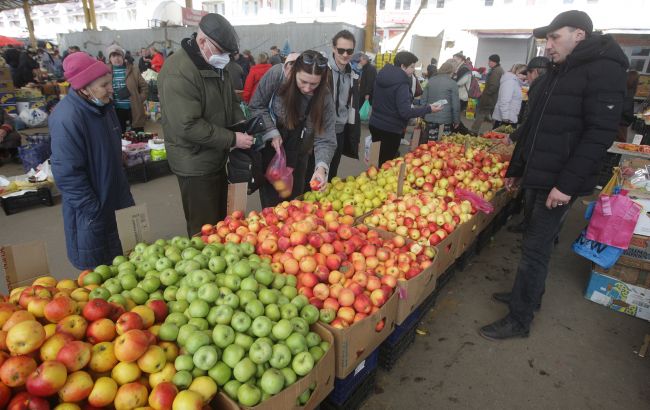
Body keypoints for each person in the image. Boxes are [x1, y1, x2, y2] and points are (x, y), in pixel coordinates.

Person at [480, 10, 628, 340]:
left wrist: (566, 184)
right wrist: (517, 169)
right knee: (535, 243)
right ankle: (529, 295)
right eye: (547, 39)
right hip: (539, 172)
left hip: (558, 180)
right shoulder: (560, 71)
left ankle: (519, 319)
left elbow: (599, 134)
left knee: (534, 249)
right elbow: (533, 126)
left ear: (579, 35)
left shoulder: (603, 71)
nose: (548, 46)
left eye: (554, 37)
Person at [158, 13, 253, 236]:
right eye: (222, 52)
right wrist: (232, 139)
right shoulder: (178, 72)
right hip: (194, 162)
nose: (226, 58)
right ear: (202, 42)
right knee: (204, 228)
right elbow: (188, 125)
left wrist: (240, 122)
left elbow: (230, 100)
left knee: (220, 221)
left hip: (215, 155)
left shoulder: (215, 64)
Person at [49, 52, 135, 270]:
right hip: (94, 209)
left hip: (117, 198)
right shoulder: (67, 118)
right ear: (84, 89)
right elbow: (67, 174)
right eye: (104, 85)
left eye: (109, 83)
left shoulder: (104, 108)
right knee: (99, 277)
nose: (111, 89)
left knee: (127, 266)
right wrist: (94, 209)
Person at [249, 50, 337, 208]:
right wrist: (271, 132)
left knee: (294, 203)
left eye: (314, 84)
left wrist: (321, 167)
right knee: (272, 207)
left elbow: (326, 138)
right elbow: (256, 106)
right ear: (294, 71)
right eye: (303, 81)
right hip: (273, 154)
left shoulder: (324, 96)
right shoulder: (278, 75)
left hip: (299, 155)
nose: (307, 88)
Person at [369, 51, 442, 166]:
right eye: (412, 67)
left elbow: (372, 99)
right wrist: (428, 109)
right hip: (391, 129)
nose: (413, 70)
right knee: (386, 164)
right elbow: (405, 112)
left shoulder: (381, 75)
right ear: (403, 66)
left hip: (375, 124)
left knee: (375, 160)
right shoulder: (402, 82)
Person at [507, 56, 550, 234]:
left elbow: (530, 122)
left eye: (528, 75)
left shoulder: (539, 88)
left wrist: (515, 136)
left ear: (535, 72)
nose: (527, 79)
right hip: (547, 150)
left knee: (533, 191)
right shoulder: (552, 85)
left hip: (538, 151)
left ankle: (530, 227)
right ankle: (540, 229)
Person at [326, 30, 357, 180]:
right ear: (333, 48)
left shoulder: (352, 73)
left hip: (340, 131)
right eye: (341, 50)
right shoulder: (323, 71)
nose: (345, 54)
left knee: (332, 174)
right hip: (322, 131)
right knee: (314, 175)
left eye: (349, 51)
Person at [106, 44, 148, 133]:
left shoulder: (133, 69)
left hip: (133, 107)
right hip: (116, 109)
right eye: (113, 56)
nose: (116, 58)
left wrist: (139, 99)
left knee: (137, 134)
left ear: (123, 57)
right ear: (110, 59)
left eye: (118, 55)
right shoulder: (105, 72)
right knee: (119, 136)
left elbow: (144, 86)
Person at [421, 60, 460, 140]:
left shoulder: (431, 80)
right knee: (444, 144)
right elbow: (455, 105)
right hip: (446, 119)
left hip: (430, 114)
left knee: (431, 141)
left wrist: (422, 114)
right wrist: (456, 120)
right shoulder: (452, 83)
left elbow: (423, 99)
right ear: (451, 71)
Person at [471, 54, 504, 134]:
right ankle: (496, 132)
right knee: (492, 115)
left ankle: (474, 131)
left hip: (489, 98)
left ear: (494, 62)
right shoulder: (498, 69)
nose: (488, 63)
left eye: (489, 61)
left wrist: (486, 94)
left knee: (481, 114)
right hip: (492, 98)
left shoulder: (496, 71)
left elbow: (494, 86)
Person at [492, 63, 527, 128]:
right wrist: (505, 118)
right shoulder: (510, 82)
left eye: (526, 74)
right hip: (506, 120)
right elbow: (504, 100)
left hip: (510, 118)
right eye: (523, 73)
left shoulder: (516, 82)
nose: (525, 76)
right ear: (516, 71)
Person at [619, 70, 639, 142]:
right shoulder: (629, 92)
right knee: (619, 146)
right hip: (621, 124)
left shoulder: (622, 90)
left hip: (619, 122)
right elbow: (624, 109)